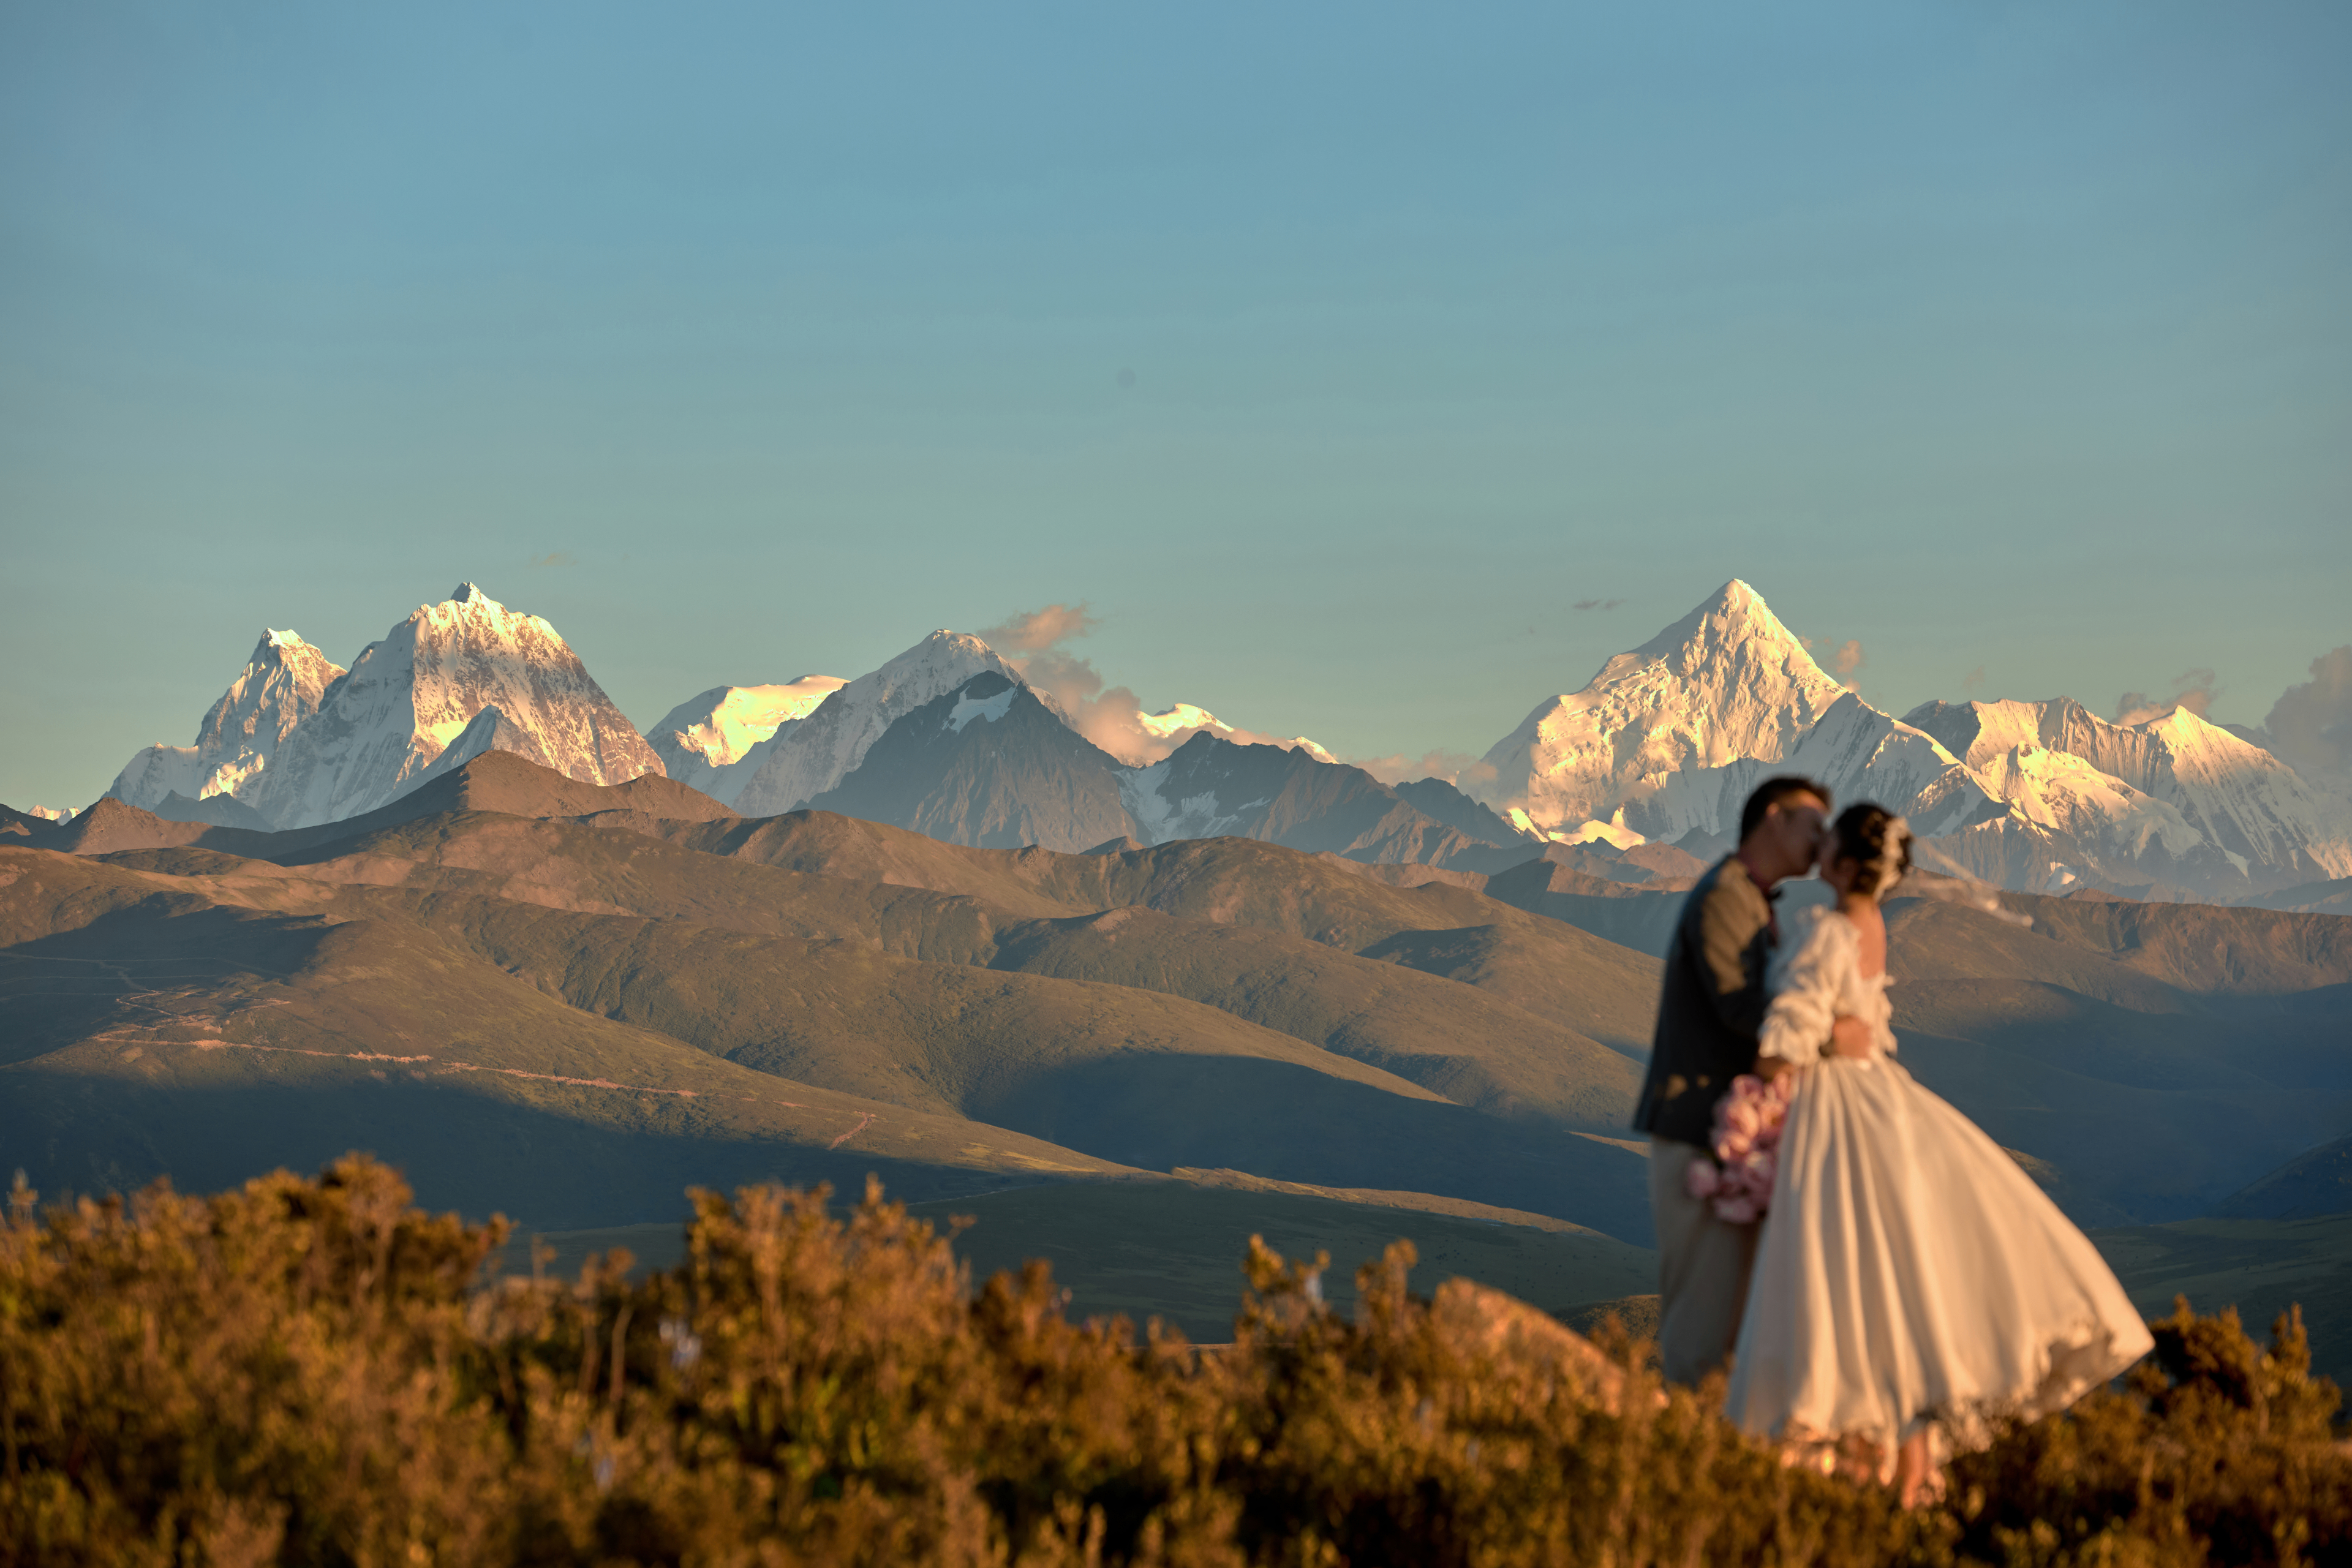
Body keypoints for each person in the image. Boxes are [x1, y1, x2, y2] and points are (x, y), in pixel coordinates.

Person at [1724, 804, 2155, 1506]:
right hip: (1883, 1099)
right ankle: (1914, 1467)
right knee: (1905, 1275)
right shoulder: (1872, 928)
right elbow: (1869, 1026)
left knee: (1843, 1274)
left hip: (1835, 1111)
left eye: (1826, 840)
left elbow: (1790, 1036)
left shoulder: (1827, 930)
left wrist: (1751, 1091)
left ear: (1839, 863)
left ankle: (1865, 1453)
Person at [1634, 775, 1864, 1387]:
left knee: (1732, 1322)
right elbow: (1742, 1010)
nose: (1821, 843)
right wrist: (1829, 1040)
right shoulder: (1725, 899)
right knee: (1703, 1324)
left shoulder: (1755, 900)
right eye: (1812, 826)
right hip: (1698, 1136)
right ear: (1771, 816)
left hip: (1730, 1140)